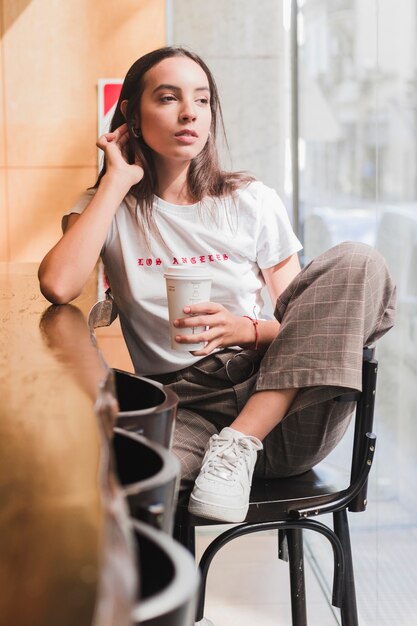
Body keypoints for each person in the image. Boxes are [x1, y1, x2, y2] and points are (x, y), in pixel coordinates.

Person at [38, 46, 396, 524]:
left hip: (281, 405)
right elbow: (58, 284)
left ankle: (240, 442)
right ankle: (160, 596)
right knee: (127, 491)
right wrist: (115, 182)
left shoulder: (249, 201)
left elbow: (301, 326)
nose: (190, 112)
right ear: (131, 115)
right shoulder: (108, 207)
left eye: (202, 101)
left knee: (359, 260)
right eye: (168, 98)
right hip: (183, 407)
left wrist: (243, 329)